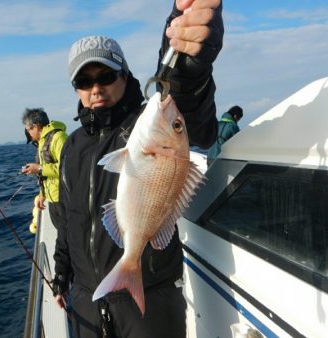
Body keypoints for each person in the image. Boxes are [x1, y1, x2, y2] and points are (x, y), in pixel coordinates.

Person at [52, 1, 224, 337]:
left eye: (105, 75)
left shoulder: (141, 125)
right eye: (84, 82)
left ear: (125, 75)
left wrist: (188, 66)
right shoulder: (72, 146)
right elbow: (65, 217)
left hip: (150, 297)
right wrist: (62, 274)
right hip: (87, 297)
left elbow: (186, 106)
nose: (96, 88)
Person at [21, 108, 68, 229]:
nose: (29, 134)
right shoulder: (42, 142)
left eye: (28, 130)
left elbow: (68, 168)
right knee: (62, 235)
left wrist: (39, 168)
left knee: (69, 237)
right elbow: (46, 172)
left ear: (35, 127)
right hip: (52, 197)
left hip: (64, 198)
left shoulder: (59, 137)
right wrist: (42, 194)